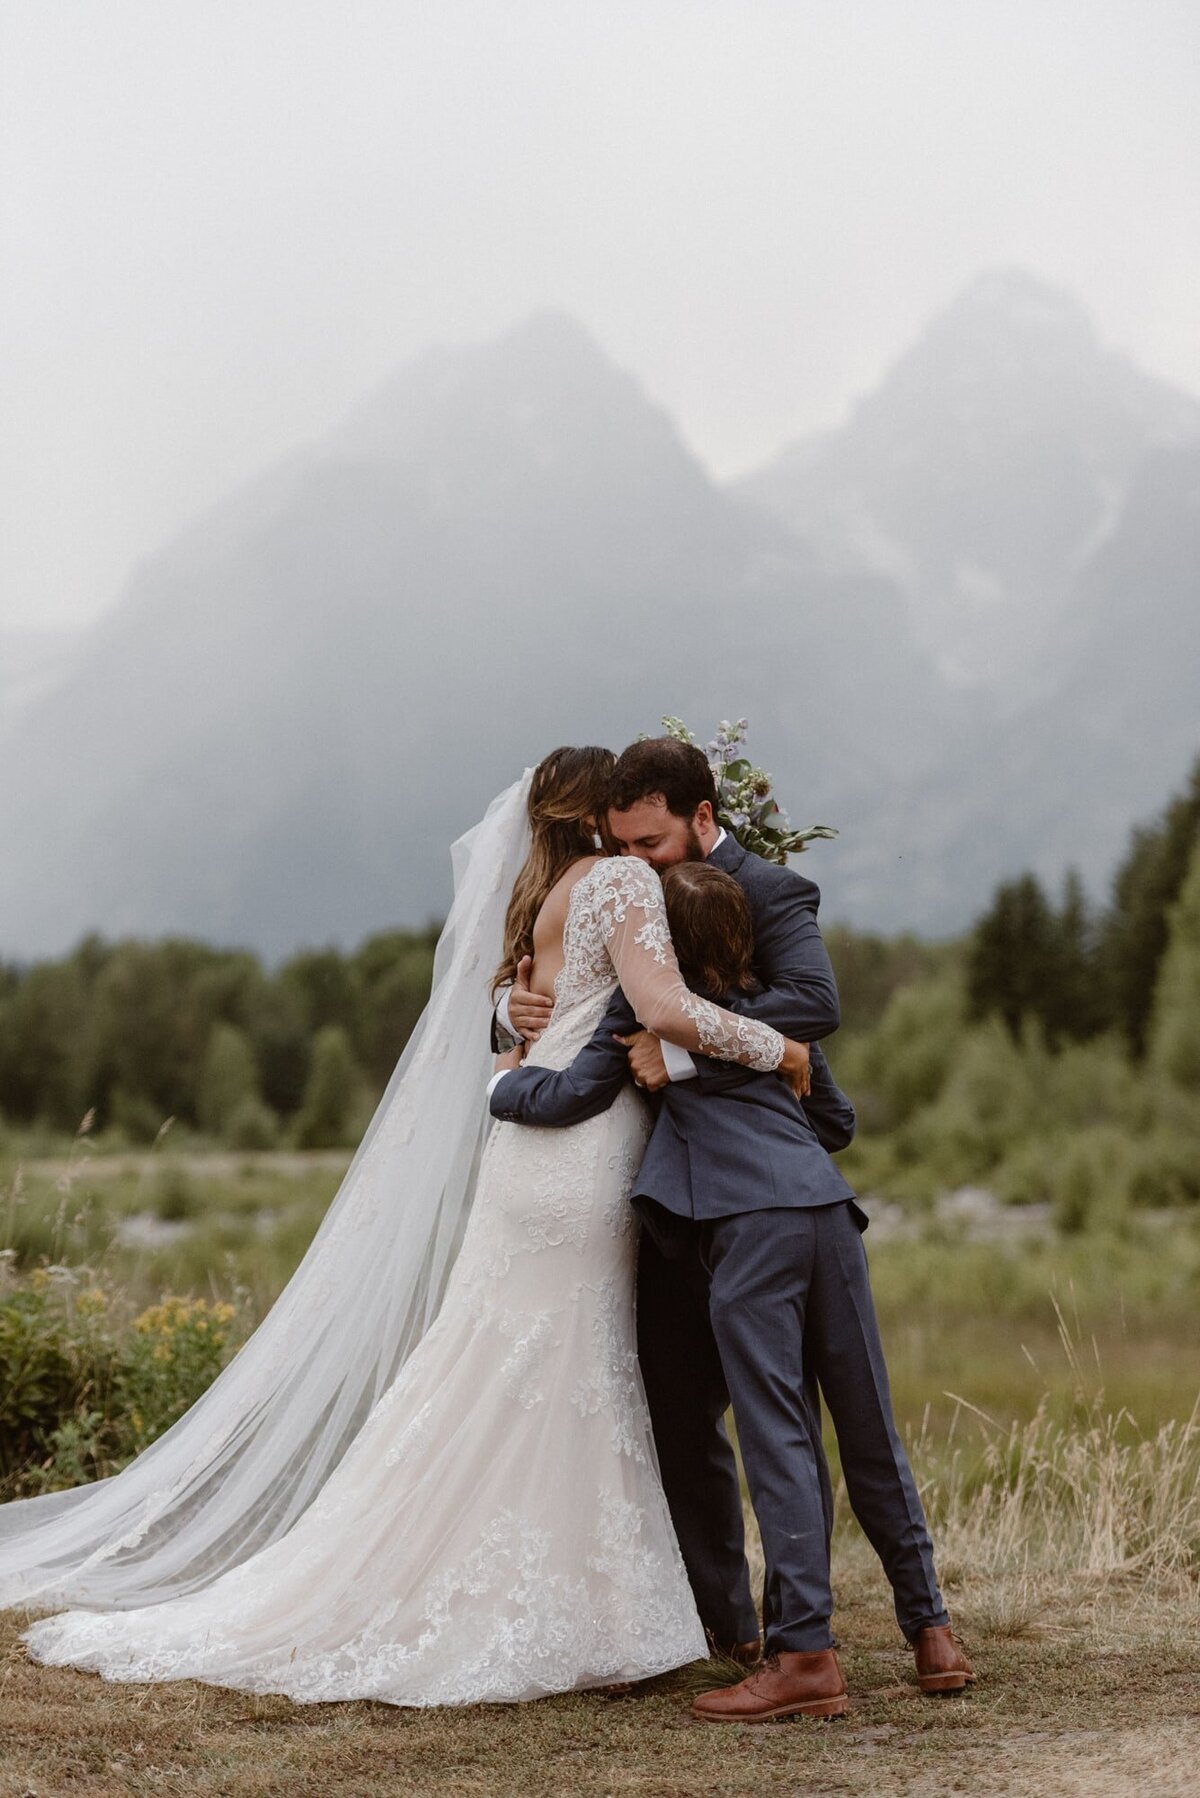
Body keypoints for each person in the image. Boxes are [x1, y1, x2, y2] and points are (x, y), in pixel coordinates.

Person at [19, 747, 812, 1707]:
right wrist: (779, 1050)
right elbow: (659, 1007)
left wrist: (513, 1018)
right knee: (562, 1368)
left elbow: (539, 1015)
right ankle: (573, 1604)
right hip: (584, 1154)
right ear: (599, 812)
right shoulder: (618, 883)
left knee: (516, 1365)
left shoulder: (547, 895)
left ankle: (559, 1594)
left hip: (530, 1160)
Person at [492, 858, 974, 1720]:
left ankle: (805, 1659)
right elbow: (836, 1122)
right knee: (870, 1432)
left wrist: (504, 1079)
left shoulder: (646, 1019)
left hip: (750, 1231)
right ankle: (931, 1635)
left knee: (778, 1433)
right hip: (829, 1216)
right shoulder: (770, 1017)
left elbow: (567, 1095)